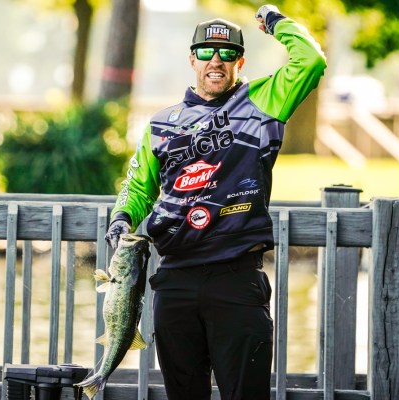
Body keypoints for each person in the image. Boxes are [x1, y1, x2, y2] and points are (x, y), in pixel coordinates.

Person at [105, 5, 326, 400]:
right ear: (192, 59)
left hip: (236, 280)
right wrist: (122, 217)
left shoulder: (264, 102)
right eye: (206, 52)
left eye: (228, 53)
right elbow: (138, 188)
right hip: (174, 281)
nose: (216, 61)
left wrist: (275, 21)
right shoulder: (161, 123)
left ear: (240, 62)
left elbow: (310, 60)